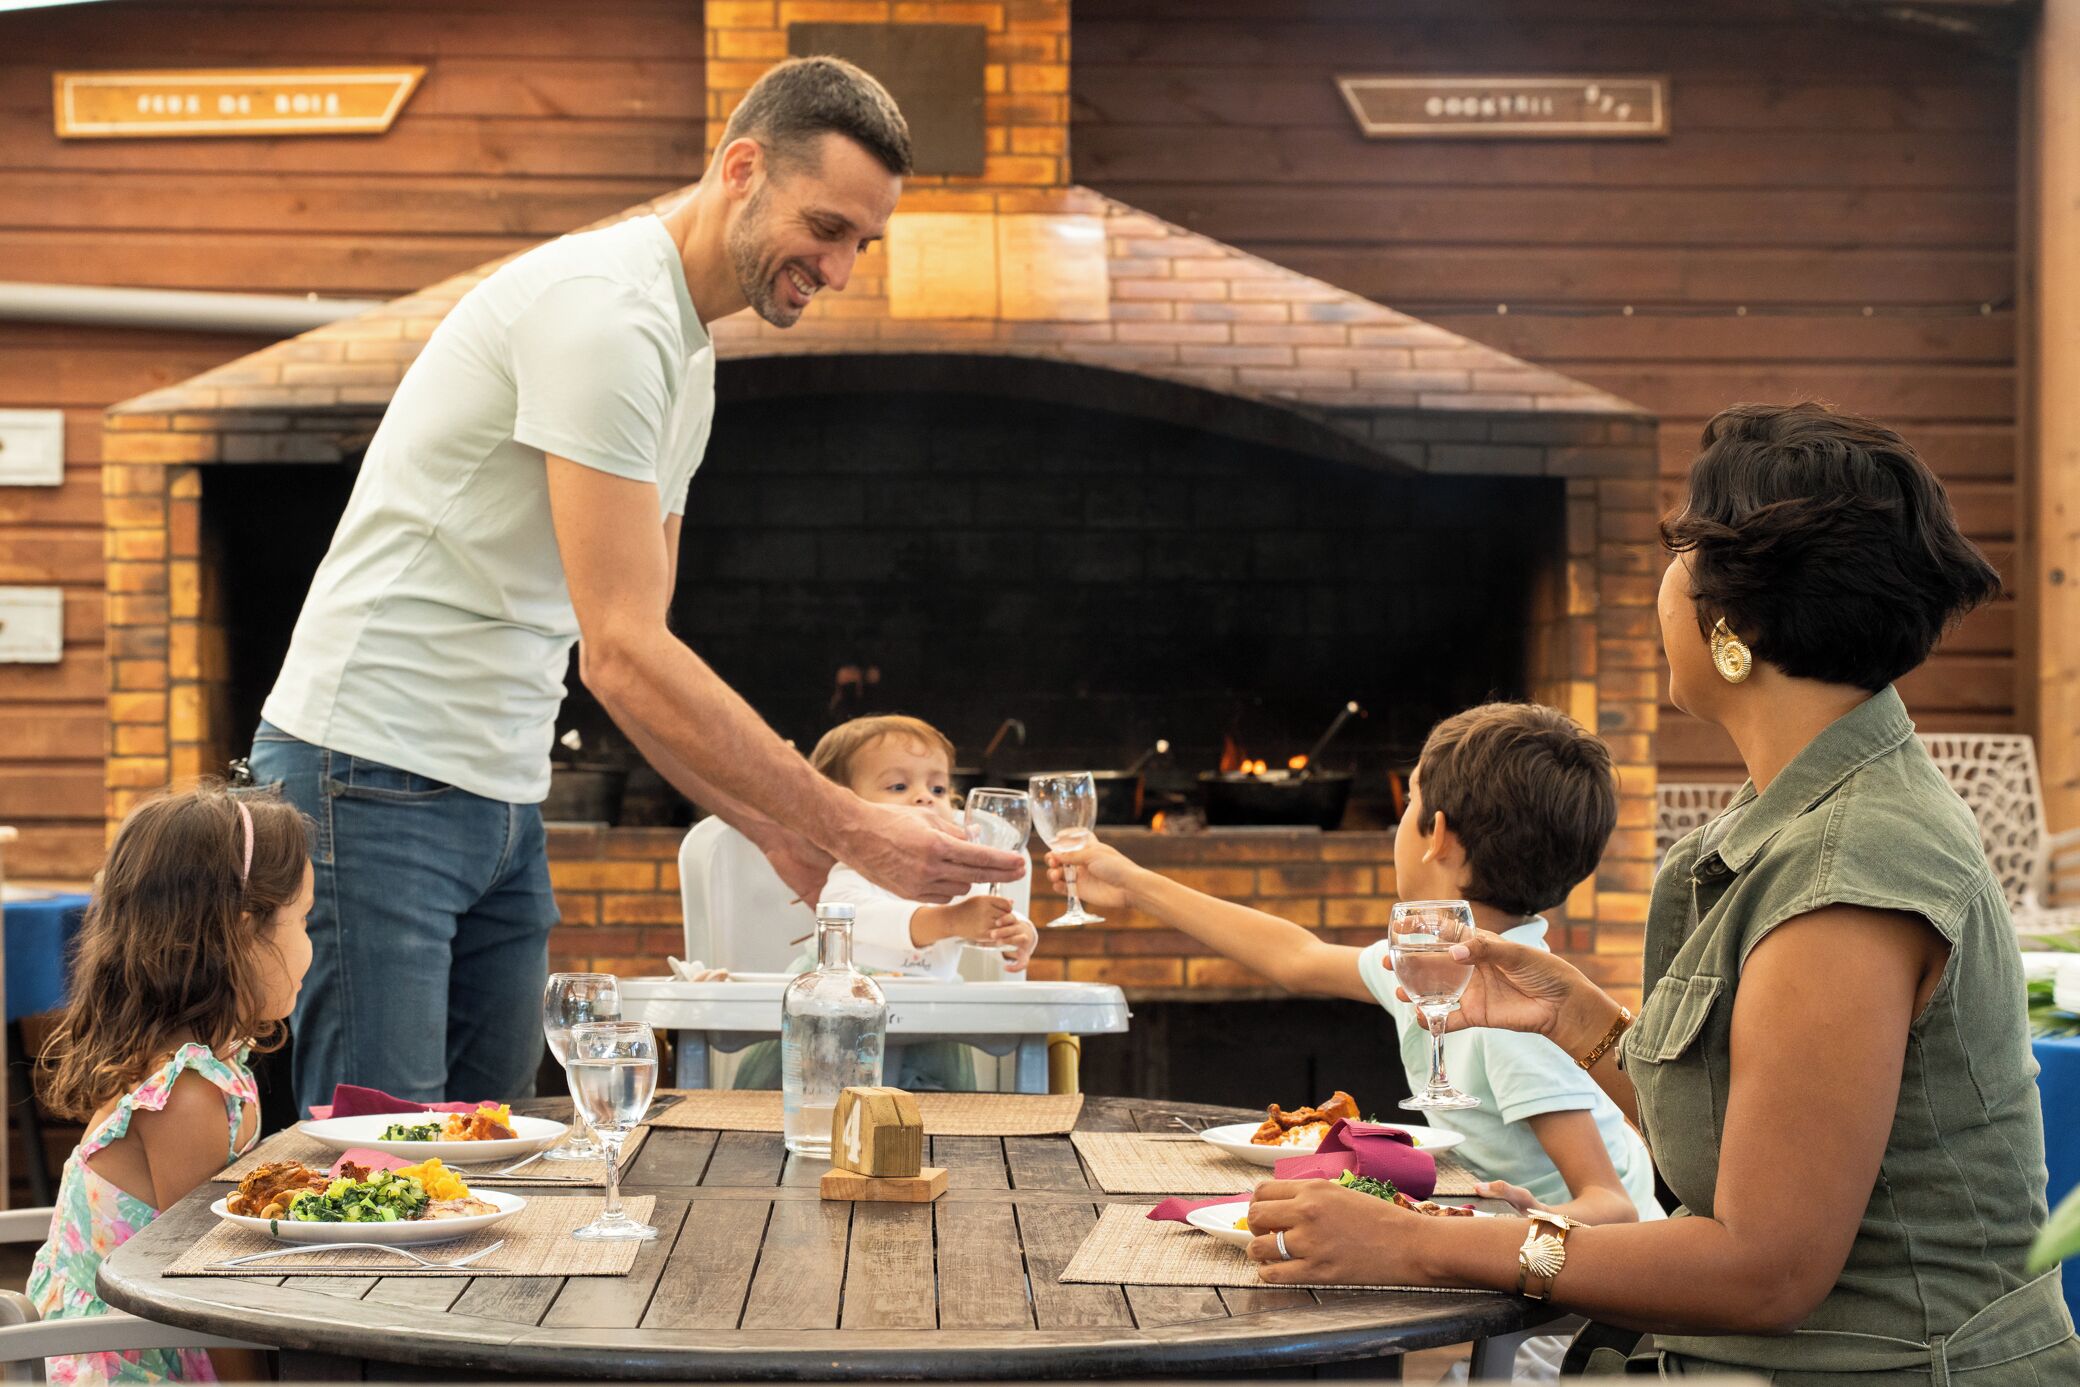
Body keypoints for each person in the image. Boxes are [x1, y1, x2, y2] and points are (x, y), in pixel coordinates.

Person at [1240, 403, 2080, 1383]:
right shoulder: (1800, 821)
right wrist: (1572, 1014)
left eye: (1681, 549)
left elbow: (1762, 1271)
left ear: (1734, 624)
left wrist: (1419, 1241)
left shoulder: (1847, 873)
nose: (1664, 580)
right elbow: (1755, 1139)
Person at [247, 56, 1023, 1115]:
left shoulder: (685, 354)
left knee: (493, 1152)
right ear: (741, 167)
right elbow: (620, 649)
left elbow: (629, 650)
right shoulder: (604, 316)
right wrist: (846, 821)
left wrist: (773, 827)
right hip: (371, 770)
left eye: (861, 243)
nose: (840, 270)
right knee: (383, 1165)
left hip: (501, 790)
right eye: (829, 227)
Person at [1053, 703, 1659, 1381]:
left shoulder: (1512, 1018)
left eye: (1408, 806)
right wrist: (1132, 880)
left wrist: (1502, 1224)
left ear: (1435, 834)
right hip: (1526, 1274)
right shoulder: (1431, 960)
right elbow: (1295, 955)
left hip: (1592, 1321)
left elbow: (1615, 1205)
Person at [29, 785, 313, 1385]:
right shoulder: (185, 1096)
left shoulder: (205, 1063)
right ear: (243, 934)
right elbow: (208, 1287)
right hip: (135, 1364)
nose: (312, 945)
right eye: (304, 919)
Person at [730, 715, 1040, 1092]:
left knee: (935, 1109)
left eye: (939, 788)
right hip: (833, 1031)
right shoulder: (851, 872)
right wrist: (952, 920)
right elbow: (859, 918)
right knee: (816, 1098)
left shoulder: (957, 880)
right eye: (898, 785)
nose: (926, 797)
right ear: (840, 806)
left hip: (930, 1029)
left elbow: (985, 918)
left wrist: (1015, 931)